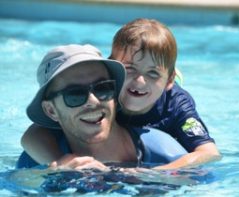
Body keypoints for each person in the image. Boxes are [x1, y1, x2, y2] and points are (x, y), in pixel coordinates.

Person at [21, 18, 221, 170]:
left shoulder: (176, 105)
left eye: (101, 88)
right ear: (116, 71)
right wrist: (58, 164)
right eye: (75, 95)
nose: (139, 81)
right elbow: (33, 134)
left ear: (168, 81)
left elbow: (209, 153)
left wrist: (155, 173)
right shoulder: (111, 92)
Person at [17, 44, 188, 170]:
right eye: (75, 95)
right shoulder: (37, 163)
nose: (93, 101)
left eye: (103, 88)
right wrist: (54, 175)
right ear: (51, 110)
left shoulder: (164, 154)